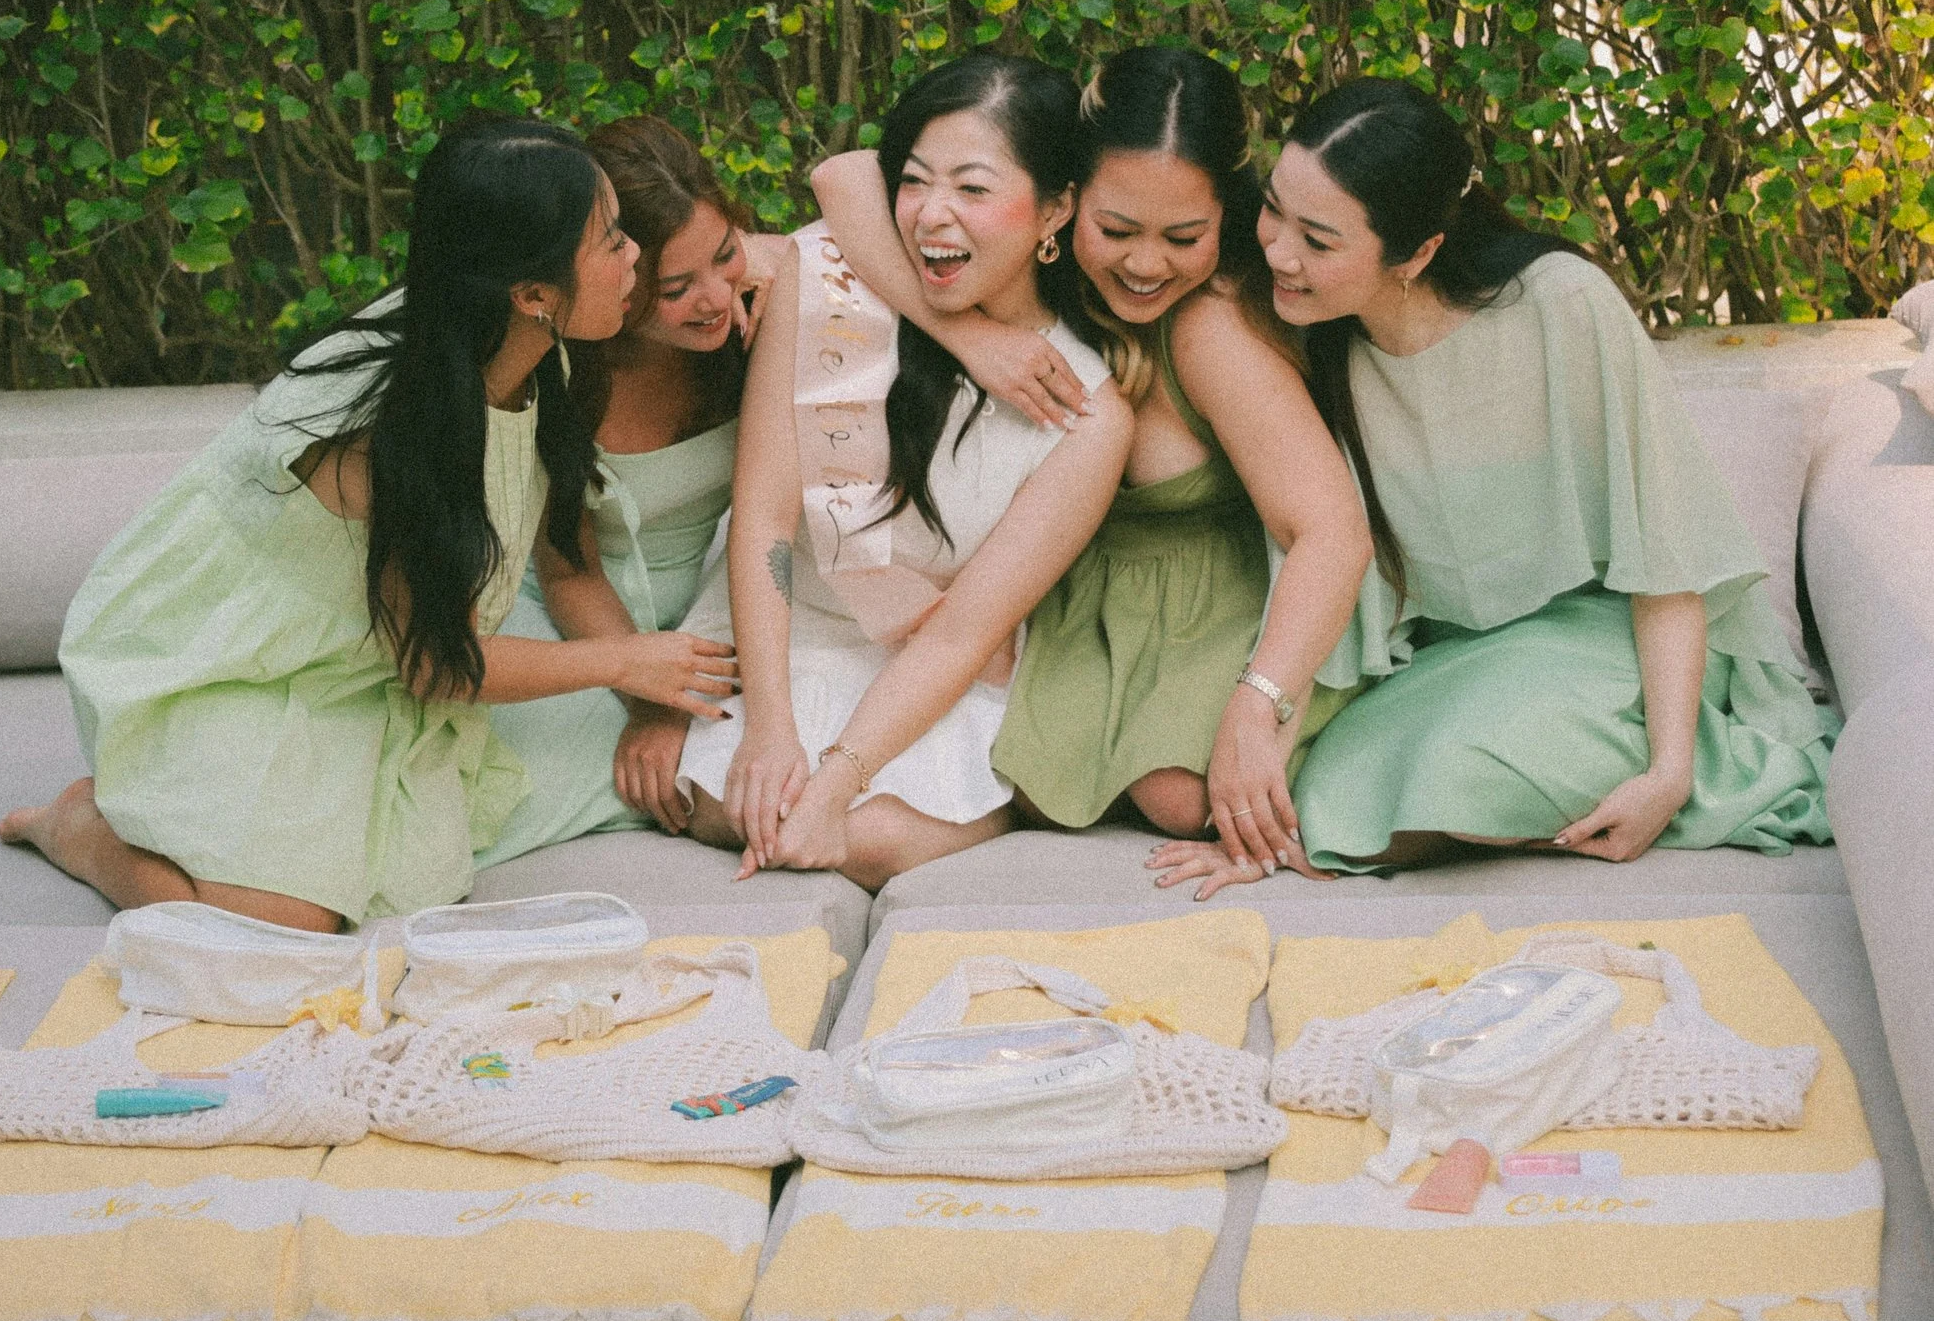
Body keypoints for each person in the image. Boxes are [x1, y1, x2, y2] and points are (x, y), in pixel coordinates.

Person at [0, 119, 740, 929]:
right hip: (228, 657)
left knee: (406, 874)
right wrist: (626, 661)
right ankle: (79, 827)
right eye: (611, 243)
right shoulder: (389, 428)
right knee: (277, 930)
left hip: (362, 655)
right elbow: (437, 664)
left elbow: (562, 565)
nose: (637, 256)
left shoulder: (536, 342)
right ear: (532, 292)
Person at [1205, 76, 1833, 881]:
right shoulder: (1309, 334)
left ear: (1419, 252)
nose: (1279, 252)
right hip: (1452, 667)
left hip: (1617, 646)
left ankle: (1690, 760)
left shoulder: (1560, 304)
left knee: (1456, 771)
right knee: (1319, 801)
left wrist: (1669, 774)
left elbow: (1668, 555)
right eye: (1273, 209)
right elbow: (1327, 570)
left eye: (1318, 240)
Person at [813, 46, 1377, 897]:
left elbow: (1331, 529)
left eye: (1183, 237)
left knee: (1180, 796)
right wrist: (973, 337)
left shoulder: (1210, 328)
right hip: (1078, 597)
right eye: (1116, 231)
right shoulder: (1046, 285)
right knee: (1026, 776)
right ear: (1062, 204)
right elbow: (849, 175)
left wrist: (1259, 706)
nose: (1145, 265)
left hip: (1210, 599)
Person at [677, 54, 1138, 890]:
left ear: (1055, 209)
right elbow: (765, 517)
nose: (932, 216)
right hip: (791, 636)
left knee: (873, 836)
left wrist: (840, 778)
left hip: (931, 669)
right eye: (916, 181)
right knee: (740, 801)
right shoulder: (826, 282)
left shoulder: (1091, 417)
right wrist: (771, 731)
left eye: (972, 188)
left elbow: (964, 631)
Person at [474, 117, 791, 860]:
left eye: (726, 257)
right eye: (676, 287)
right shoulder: (567, 366)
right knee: (527, 784)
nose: (714, 297)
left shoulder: (757, 325)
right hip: (580, 616)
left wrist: (778, 268)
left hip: (723, 603)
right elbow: (567, 569)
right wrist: (652, 702)